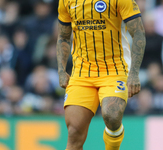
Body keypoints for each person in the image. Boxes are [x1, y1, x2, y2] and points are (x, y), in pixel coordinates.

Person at [57, 0, 146, 149]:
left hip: (114, 69)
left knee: (112, 115)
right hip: (82, 72)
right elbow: (63, 36)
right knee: (74, 131)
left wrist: (134, 73)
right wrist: (61, 70)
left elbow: (138, 32)